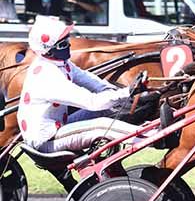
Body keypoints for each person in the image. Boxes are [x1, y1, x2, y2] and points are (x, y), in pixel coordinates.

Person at [17, 15, 154, 153]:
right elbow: (92, 103)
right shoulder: (47, 76)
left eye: (68, 40)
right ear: (49, 50)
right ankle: (152, 137)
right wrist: (126, 92)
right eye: (63, 44)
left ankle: (143, 128)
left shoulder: (61, 63)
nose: (69, 45)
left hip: (59, 127)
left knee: (110, 108)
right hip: (47, 140)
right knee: (101, 125)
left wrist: (121, 93)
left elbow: (91, 81)